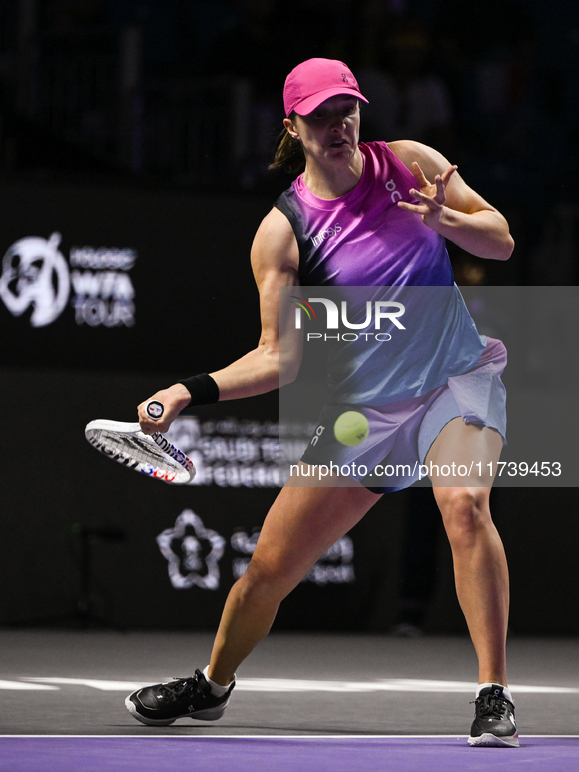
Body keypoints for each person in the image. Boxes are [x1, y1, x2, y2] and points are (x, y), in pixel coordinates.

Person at [125, 58, 518, 748]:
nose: (337, 126)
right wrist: (190, 388)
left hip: (456, 380)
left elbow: (501, 238)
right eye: (320, 116)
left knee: (463, 504)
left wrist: (445, 220)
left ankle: (493, 695)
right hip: (366, 412)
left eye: (347, 110)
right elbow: (278, 358)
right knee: (266, 575)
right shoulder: (282, 232)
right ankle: (212, 684)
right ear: (292, 126)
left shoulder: (411, 164)